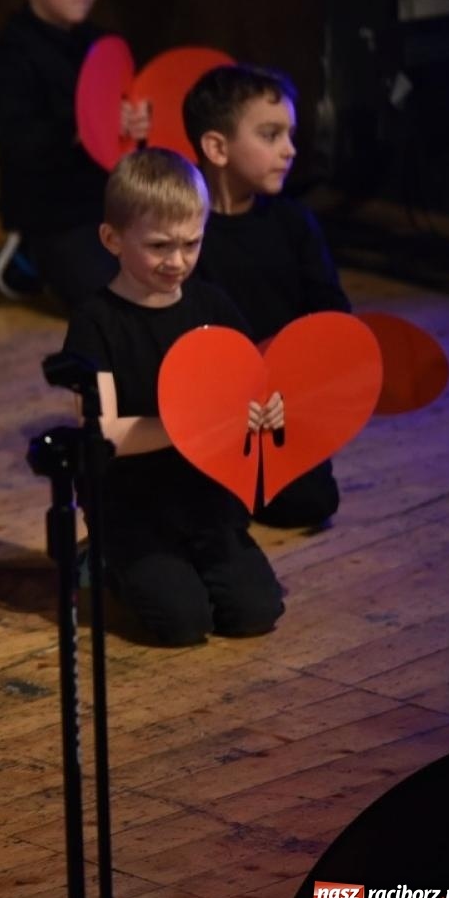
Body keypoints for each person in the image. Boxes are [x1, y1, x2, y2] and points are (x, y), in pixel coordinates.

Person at [62, 149, 286, 646]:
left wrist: (268, 409)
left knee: (255, 612)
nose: (178, 261)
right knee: (183, 623)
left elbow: (255, 381)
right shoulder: (95, 322)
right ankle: (103, 558)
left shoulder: (212, 304)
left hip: (206, 498)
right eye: (160, 246)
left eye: (192, 243)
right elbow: (104, 434)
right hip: (132, 503)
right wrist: (197, 427)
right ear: (112, 239)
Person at [185, 64, 350, 528]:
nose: (289, 150)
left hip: (278, 403)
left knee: (312, 501)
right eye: (271, 135)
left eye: (290, 135)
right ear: (217, 147)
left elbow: (331, 310)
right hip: (210, 405)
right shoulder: (183, 231)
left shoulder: (294, 222)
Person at [0, 0, 149, 308]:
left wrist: (138, 123)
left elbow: (126, 116)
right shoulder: (11, 51)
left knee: (168, 271)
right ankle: (29, 257)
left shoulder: (102, 44)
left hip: (107, 202)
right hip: (52, 211)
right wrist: (82, 126)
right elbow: (15, 136)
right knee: (109, 297)